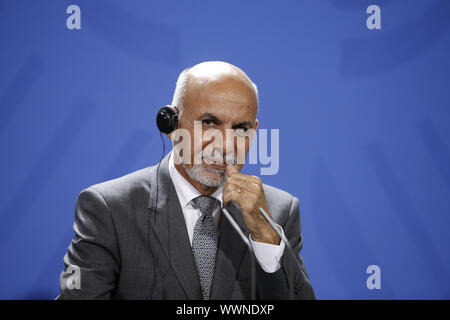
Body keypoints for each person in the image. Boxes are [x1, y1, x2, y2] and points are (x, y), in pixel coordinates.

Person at [57, 61, 315, 299]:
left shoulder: (278, 212)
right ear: (170, 124)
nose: (226, 145)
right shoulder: (110, 209)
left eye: (241, 129)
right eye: (209, 122)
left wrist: (264, 237)